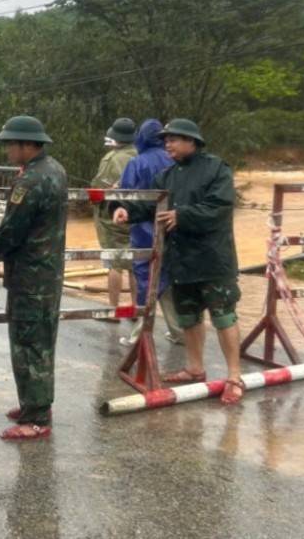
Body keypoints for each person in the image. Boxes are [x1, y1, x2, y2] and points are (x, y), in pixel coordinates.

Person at [111, 119, 245, 405]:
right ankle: (194, 367)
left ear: (192, 141)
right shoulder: (166, 176)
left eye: (173, 139)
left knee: (223, 317)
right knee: (189, 317)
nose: (167, 144)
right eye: (165, 139)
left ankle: (234, 376)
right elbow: (151, 205)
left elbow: (220, 208)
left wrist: (182, 215)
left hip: (213, 259)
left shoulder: (216, 169)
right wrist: (126, 210)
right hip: (181, 259)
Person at [0, 115, 67, 440]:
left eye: (11, 143)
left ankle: (36, 417)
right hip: (47, 273)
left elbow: (13, 230)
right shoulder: (54, 169)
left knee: (28, 344)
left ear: (27, 145)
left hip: (30, 276)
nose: (8, 150)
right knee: (41, 340)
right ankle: (35, 403)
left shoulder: (31, 181)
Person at [116, 119, 184, 345]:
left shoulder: (137, 163)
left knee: (147, 278)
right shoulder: (175, 159)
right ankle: (179, 331)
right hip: (175, 226)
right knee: (169, 279)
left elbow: (126, 196)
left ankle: (140, 335)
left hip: (145, 227)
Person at [90, 118, 138, 318]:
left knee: (114, 263)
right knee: (135, 262)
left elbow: (98, 187)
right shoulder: (139, 155)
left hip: (112, 218)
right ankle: (137, 308)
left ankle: (112, 309)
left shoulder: (111, 159)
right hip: (137, 215)